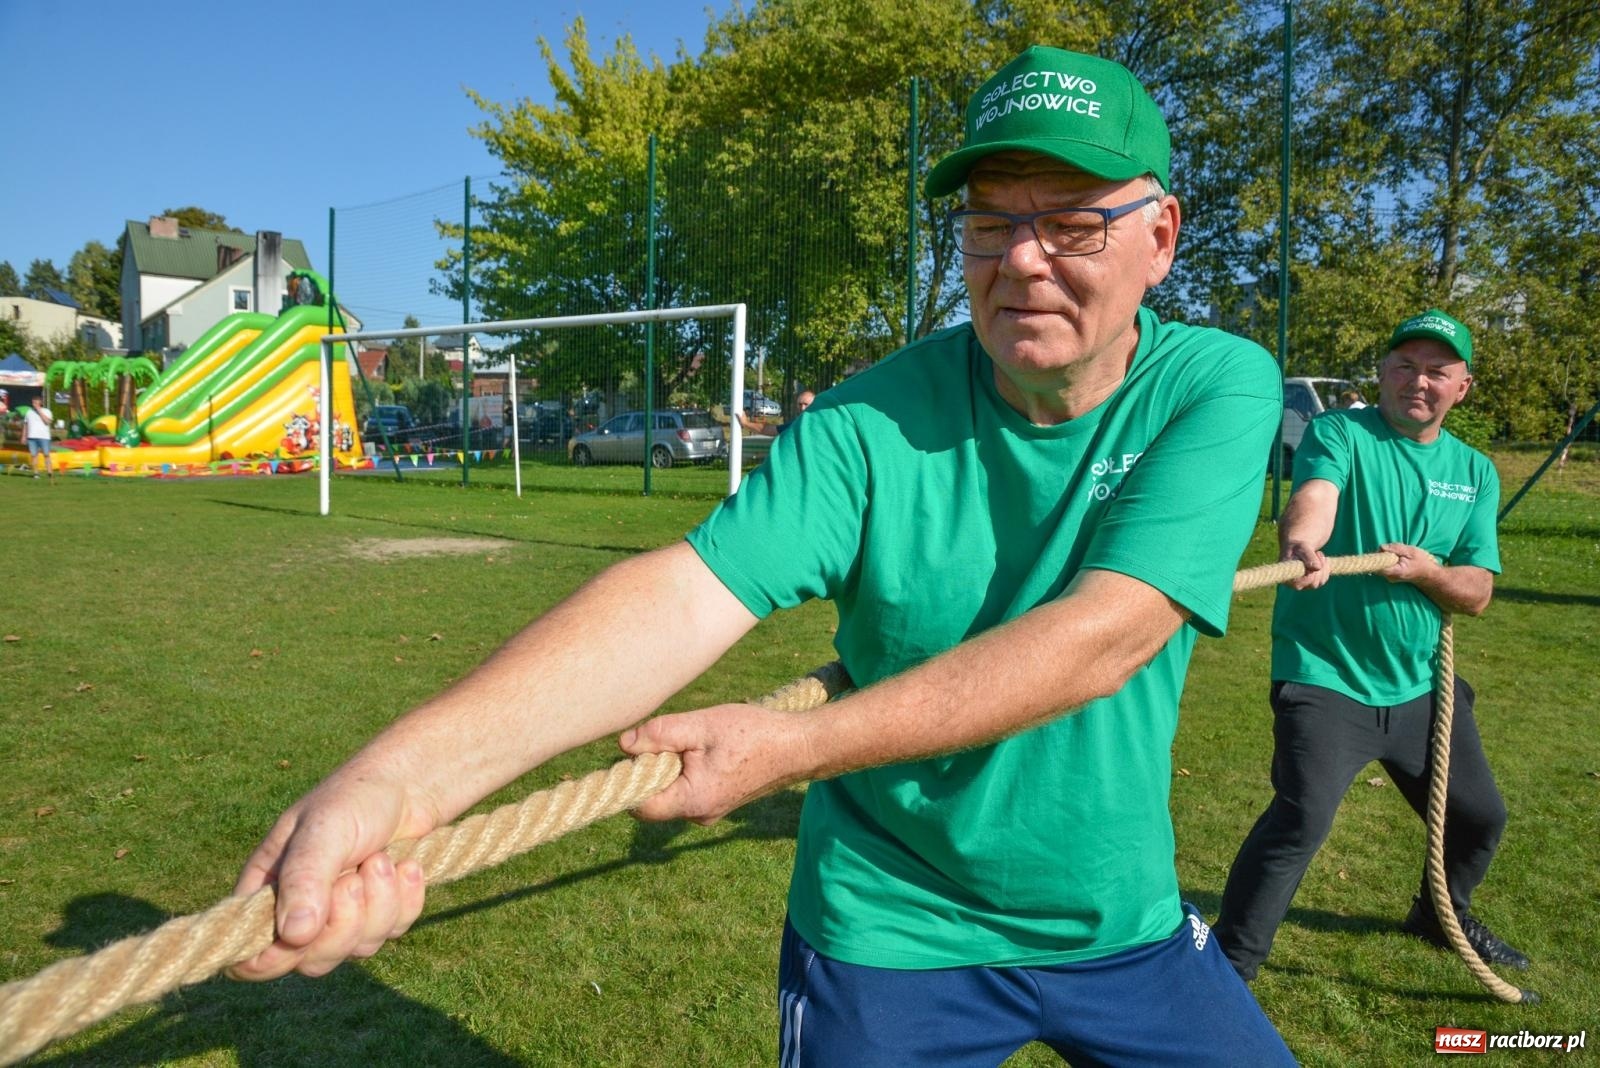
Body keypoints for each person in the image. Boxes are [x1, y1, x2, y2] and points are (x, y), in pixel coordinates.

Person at [233, 46, 1294, 1066]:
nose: (1021, 257)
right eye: (987, 222)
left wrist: (791, 751)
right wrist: (399, 787)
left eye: (1070, 222)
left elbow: (1101, 640)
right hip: (892, 931)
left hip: (1117, 919)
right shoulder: (862, 422)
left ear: (1158, 237)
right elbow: (682, 597)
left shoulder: (1215, 385)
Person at [1215, 309, 1526, 983]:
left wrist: (1429, 573)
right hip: (1326, 676)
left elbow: (1475, 589)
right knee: (1303, 818)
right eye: (1405, 366)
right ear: (1382, 375)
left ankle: (1438, 913)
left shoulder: (1475, 471)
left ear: (1462, 387)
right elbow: (1316, 497)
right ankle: (1229, 966)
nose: (1419, 381)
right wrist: (1304, 543)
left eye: (1437, 371)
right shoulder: (1340, 433)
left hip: (1420, 688)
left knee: (1478, 819)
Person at [736, 389, 815, 436]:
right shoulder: (797, 424)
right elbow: (771, 429)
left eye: (806, 404)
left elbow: (771, 430)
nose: (802, 408)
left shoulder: (804, 424)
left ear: (814, 405)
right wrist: (746, 423)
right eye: (800, 404)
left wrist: (746, 423)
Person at [23, 394, 53, 478]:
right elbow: (25, 424)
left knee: (46, 454)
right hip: (32, 437)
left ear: (40, 403)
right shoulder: (29, 412)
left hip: (44, 437)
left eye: (36, 402)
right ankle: (36, 473)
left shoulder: (47, 411)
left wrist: (39, 411)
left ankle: (49, 472)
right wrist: (23, 436)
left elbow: (47, 422)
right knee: (34, 455)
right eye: (33, 402)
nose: (34, 404)